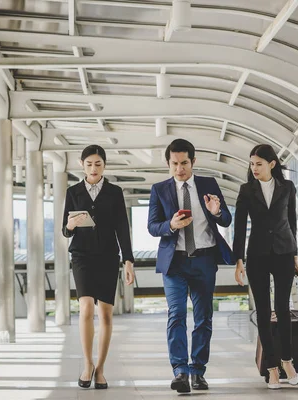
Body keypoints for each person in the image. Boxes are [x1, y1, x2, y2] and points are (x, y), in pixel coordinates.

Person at [147, 138, 234, 393]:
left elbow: (226, 220)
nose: (179, 168)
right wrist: (171, 225)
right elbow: (152, 227)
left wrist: (217, 212)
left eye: (184, 162)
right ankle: (180, 372)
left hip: (205, 260)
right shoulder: (160, 189)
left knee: (203, 317)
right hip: (175, 262)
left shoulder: (209, 185)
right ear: (168, 163)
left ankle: (198, 371)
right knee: (176, 315)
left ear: (193, 162)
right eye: (174, 163)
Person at [62, 144, 135, 390]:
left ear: (104, 165)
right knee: (84, 309)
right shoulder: (73, 191)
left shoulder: (114, 192)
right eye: (89, 163)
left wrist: (128, 260)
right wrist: (71, 225)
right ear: (81, 164)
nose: (93, 168)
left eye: (98, 164)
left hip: (107, 256)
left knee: (104, 313)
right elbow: (65, 229)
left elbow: (122, 228)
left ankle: (101, 369)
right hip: (81, 255)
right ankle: (87, 364)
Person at [233, 144, 298, 390]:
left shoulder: (287, 187)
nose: (254, 168)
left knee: (283, 308)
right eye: (252, 164)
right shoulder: (246, 190)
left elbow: (291, 221)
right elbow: (239, 226)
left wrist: (295, 255)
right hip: (258, 255)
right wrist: (238, 260)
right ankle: (271, 368)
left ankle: (287, 361)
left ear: (272, 164)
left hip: (283, 252)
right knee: (263, 311)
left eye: (259, 164)